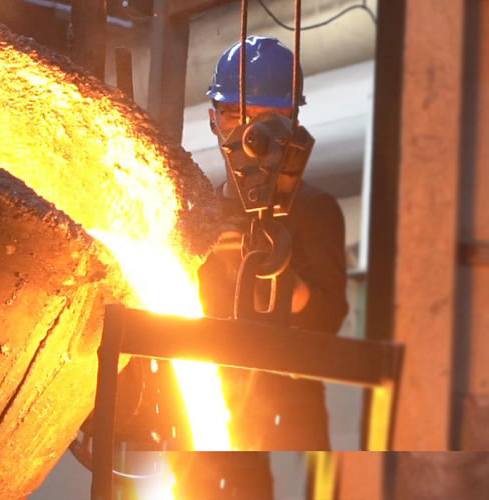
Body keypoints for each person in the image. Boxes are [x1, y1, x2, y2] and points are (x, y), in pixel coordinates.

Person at [174, 35, 350, 500]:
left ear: (292, 124)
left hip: (287, 420)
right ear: (213, 120)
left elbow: (326, 320)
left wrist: (271, 267)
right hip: (208, 411)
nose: (250, 133)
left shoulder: (314, 211)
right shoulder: (200, 215)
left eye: (267, 118)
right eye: (236, 114)